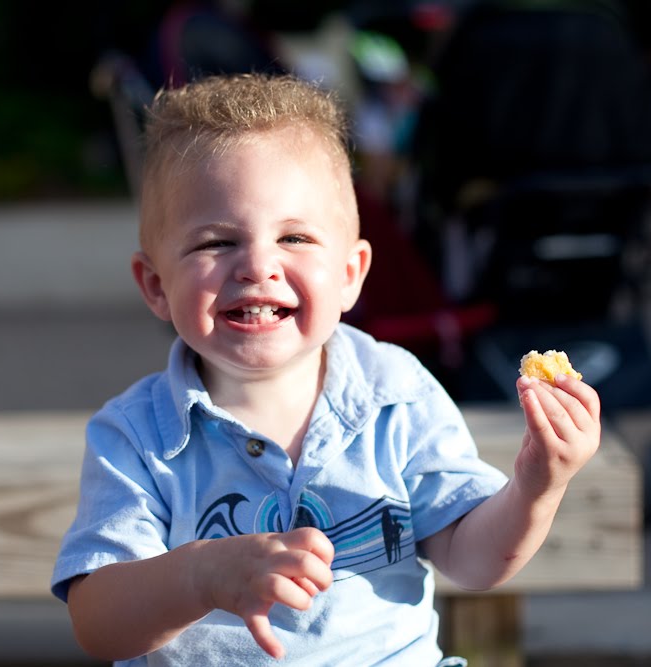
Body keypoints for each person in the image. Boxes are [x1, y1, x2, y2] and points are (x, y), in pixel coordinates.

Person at [50, 73, 601, 665]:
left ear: (349, 274)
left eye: (294, 237)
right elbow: (98, 623)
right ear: (156, 285)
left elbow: (473, 560)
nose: (258, 266)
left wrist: (538, 485)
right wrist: (199, 575)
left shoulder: (395, 393)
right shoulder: (137, 436)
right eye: (215, 243)